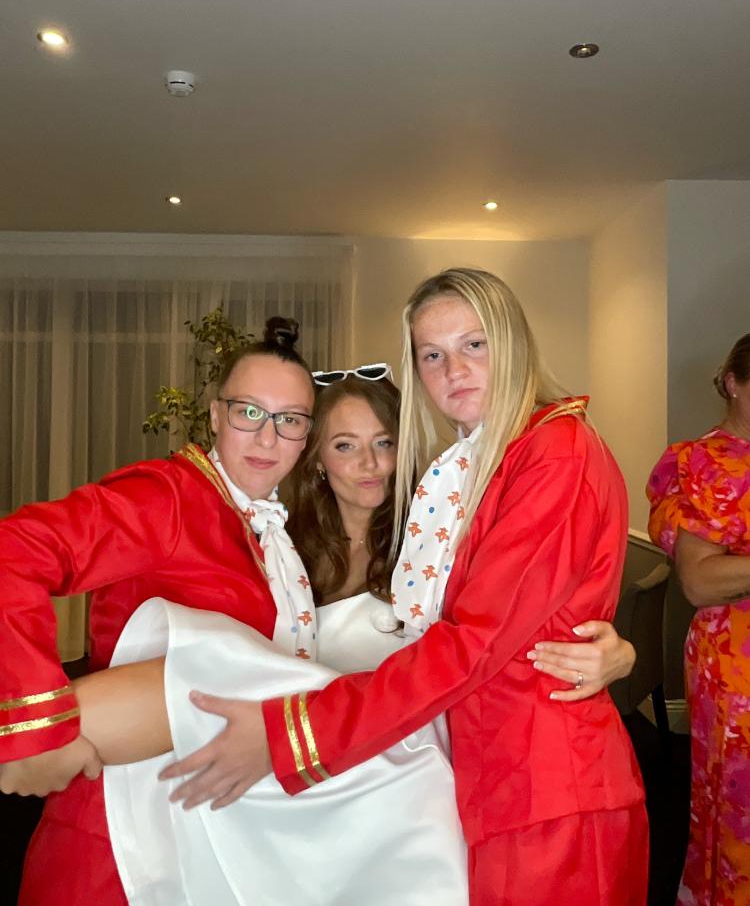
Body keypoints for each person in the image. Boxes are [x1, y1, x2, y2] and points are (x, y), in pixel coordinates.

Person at [142, 268, 650, 906]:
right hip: (490, 777)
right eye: (431, 355)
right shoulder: (491, 460)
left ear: (513, 341)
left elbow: (475, 639)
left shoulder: (555, 452)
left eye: (474, 345)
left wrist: (292, 736)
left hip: (545, 787)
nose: (454, 371)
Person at [0, 318, 317, 906]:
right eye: (249, 412)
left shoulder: (267, 528)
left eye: (289, 420)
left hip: (196, 827)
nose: (267, 438)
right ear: (215, 415)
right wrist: (37, 726)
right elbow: (12, 553)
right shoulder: (168, 497)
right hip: (116, 833)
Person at [647, 333, 750, 906]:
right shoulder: (706, 462)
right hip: (736, 662)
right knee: (739, 806)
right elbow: (699, 581)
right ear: (732, 383)